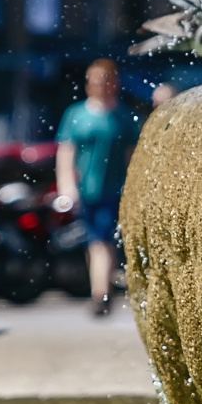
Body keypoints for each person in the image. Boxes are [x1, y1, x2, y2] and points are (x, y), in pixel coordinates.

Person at [55, 58, 138, 319]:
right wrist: (66, 187)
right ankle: (103, 288)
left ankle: (100, 294)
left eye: (105, 80)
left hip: (115, 189)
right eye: (94, 80)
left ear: (114, 83)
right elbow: (66, 152)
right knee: (95, 243)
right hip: (86, 189)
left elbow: (132, 155)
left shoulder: (123, 116)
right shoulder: (76, 114)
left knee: (102, 241)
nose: (100, 85)